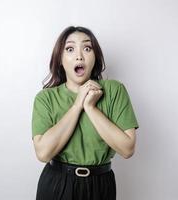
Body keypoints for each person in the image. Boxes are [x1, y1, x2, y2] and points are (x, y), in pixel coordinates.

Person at [31, 26, 139, 200]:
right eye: (70, 49)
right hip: (58, 184)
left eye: (87, 48)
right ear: (60, 59)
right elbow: (43, 153)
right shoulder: (46, 98)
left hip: (101, 185)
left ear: (95, 57)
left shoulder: (114, 90)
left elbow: (127, 149)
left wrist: (91, 107)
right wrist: (77, 105)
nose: (79, 55)